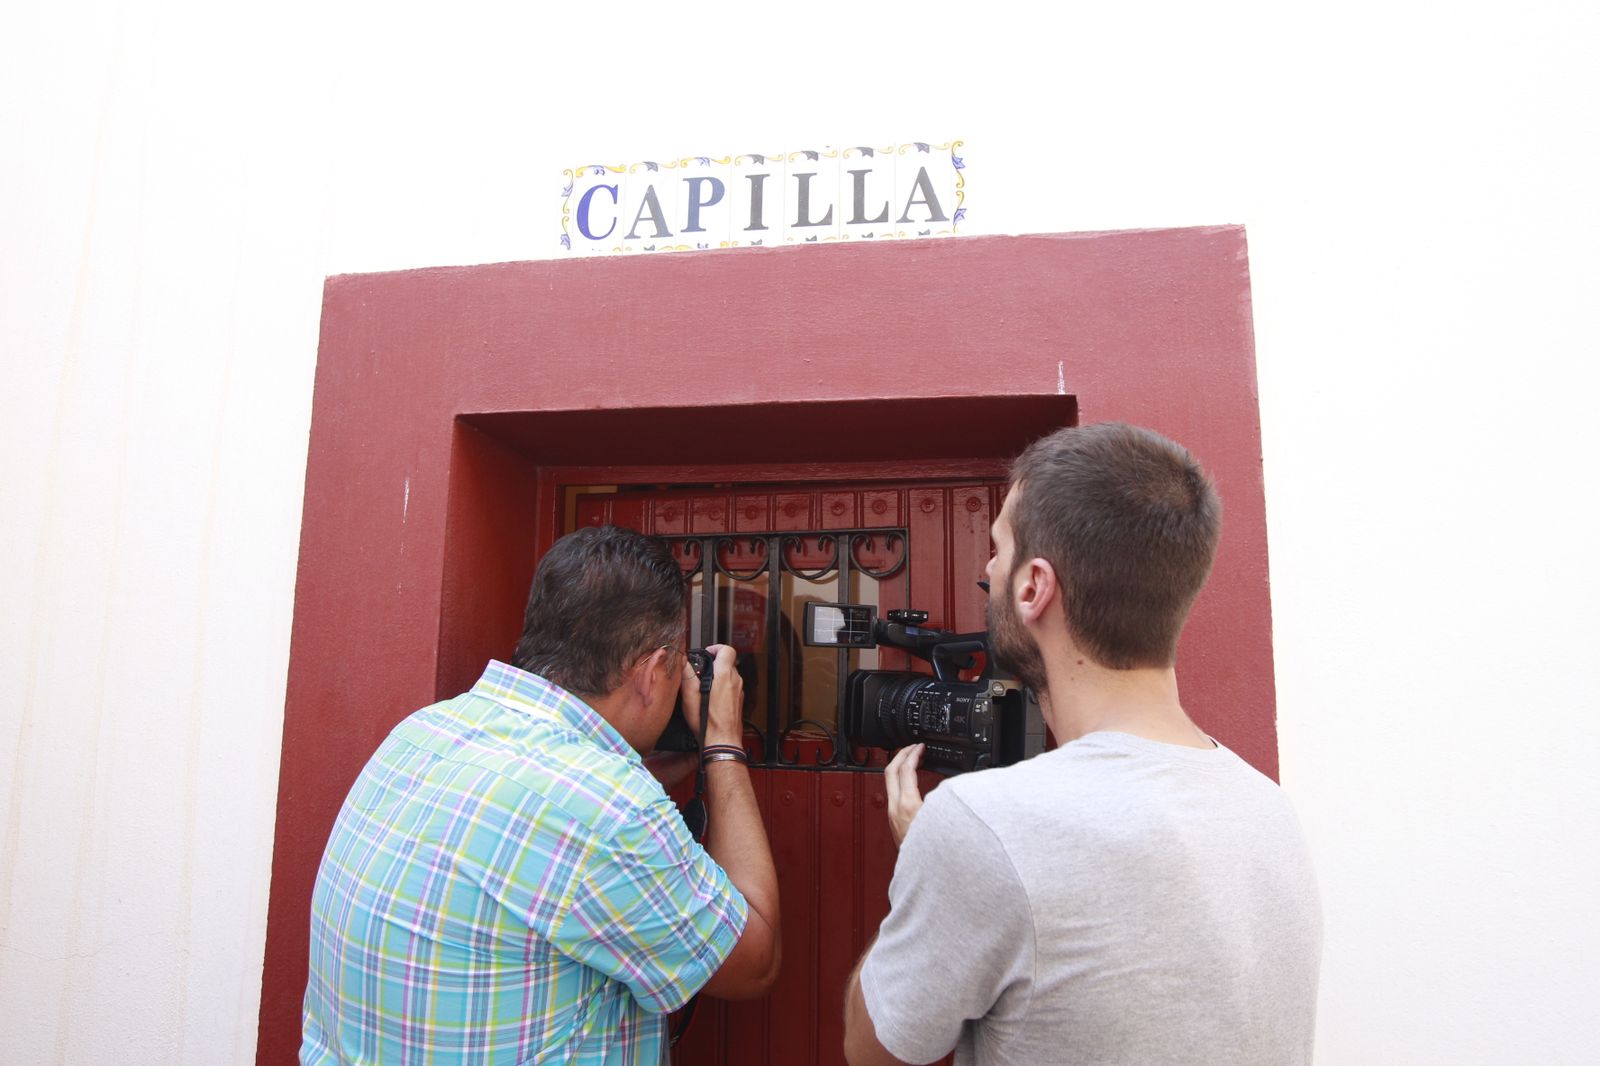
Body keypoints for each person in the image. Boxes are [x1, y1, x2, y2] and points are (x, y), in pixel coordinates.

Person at [843, 422, 1322, 1066]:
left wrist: (923, 861)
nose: (988, 568)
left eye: (998, 548)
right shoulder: (1269, 810)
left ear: (1033, 587)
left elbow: (872, 1050)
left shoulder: (982, 827)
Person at [301, 524, 780, 1065]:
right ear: (651, 672)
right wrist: (723, 744)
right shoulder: (610, 809)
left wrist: (642, 776)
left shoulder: (420, 732)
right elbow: (754, 961)